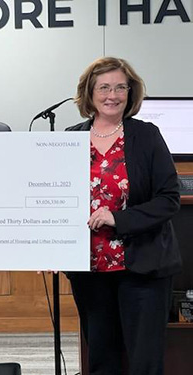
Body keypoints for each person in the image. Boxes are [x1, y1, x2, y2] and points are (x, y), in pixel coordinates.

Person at [66, 57, 181, 375]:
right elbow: (55, 199)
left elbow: (169, 199)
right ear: (89, 93)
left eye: (120, 87)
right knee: (101, 360)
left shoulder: (146, 135)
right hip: (90, 270)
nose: (112, 95)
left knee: (144, 362)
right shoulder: (69, 137)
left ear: (131, 93)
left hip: (141, 267)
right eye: (103, 87)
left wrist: (120, 218)